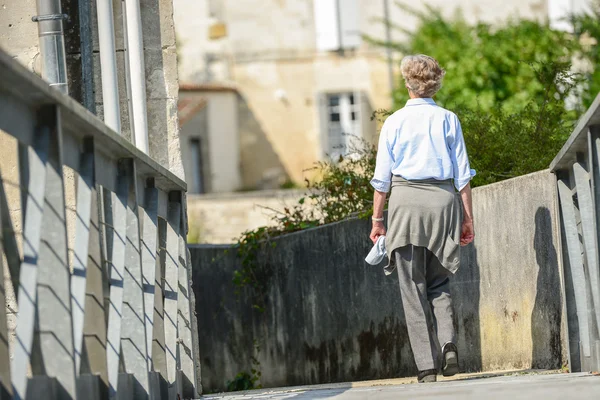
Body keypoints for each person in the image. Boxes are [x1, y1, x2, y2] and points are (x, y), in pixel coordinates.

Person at [369, 54, 475, 383]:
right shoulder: (448, 119)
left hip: (405, 204)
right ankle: (448, 344)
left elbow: (382, 179)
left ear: (407, 83)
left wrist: (377, 220)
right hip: (443, 203)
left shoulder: (394, 122)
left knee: (411, 287)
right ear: (435, 83)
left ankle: (427, 369)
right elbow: (463, 176)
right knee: (439, 283)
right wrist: (467, 218)